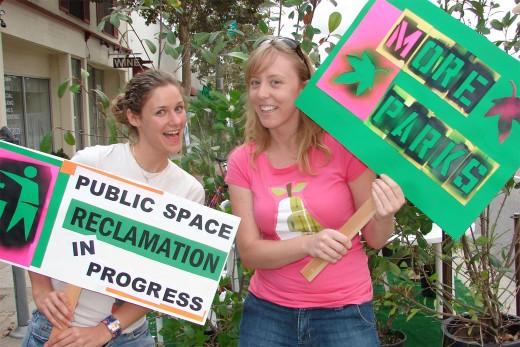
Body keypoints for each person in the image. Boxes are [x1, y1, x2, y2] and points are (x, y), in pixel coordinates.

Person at [225, 36, 406, 347]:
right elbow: (251, 252)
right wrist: (308, 244)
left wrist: (386, 212)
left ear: (304, 88)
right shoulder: (243, 161)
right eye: (255, 82)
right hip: (268, 315)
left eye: (276, 82)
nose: (262, 93)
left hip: (344, 314)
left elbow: (376, 238)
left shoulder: (345, 148)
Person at [22, 70, 204, 347]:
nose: (176, 121)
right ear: (134, 117)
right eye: (161, 112)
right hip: (58, 331)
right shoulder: (92, 163)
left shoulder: (189, 191)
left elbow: (165, 282)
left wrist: (106, 330)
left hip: (128, 337)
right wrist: (41, 288)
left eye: (179, 109)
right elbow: (34, 218)